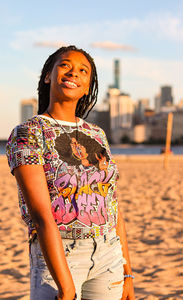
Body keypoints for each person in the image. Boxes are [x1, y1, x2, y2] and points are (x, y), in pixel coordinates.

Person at [6, 45, 135, 300]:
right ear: (48, 76)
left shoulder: (97, 134)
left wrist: (127, 271)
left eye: (83, 70)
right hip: (58, 258)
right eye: (65, 65)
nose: (73, 73)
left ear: (87, 86)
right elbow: (41, 215)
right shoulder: (28, 133)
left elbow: (112, 204)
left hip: (108, 255)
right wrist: (66, 288)